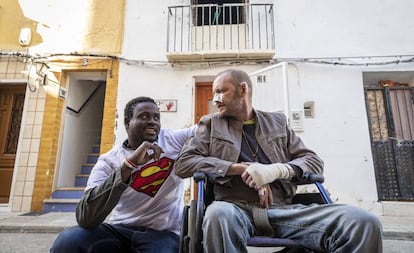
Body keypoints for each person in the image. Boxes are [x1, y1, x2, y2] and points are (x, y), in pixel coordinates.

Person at [175, 69, 383, 253]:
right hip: (234, 208)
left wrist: (276, 171)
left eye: (222, 91)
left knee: (363, 222)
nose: (215, 99)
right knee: (217, 215)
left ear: (243, 89)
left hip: (284, 210)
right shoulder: (211, 124)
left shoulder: (277, 122)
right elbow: (184, 163)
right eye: (213, 94)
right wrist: (237, 168)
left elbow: (312, 161)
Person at [51, 96, 196, 253]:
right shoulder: (109, 161)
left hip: (163, 234)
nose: (153, 121)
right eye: (144, 116)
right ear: (127, 122)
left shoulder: (173, 140)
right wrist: (128, 166)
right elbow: (86, 217)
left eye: (156, 117)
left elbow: (209, 127)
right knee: (69, 240)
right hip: (120, 229)